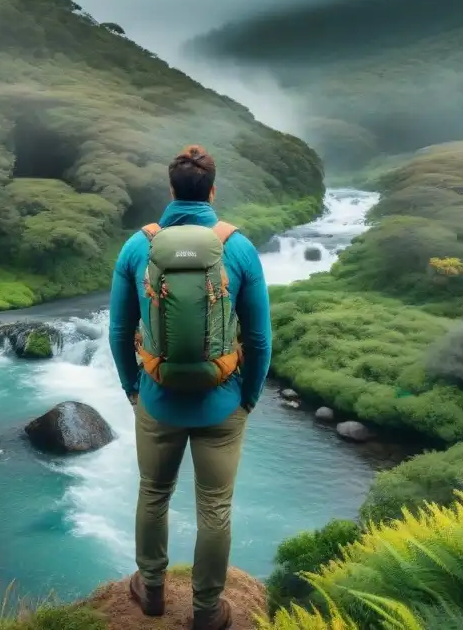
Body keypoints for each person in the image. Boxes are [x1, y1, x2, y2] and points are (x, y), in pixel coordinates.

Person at [108, 144, 271, 630]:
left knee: (153, 493)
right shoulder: (238, 248)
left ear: (171, 188)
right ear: (212, 191)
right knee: (215, 508)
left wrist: (133, 388)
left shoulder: (139, 246)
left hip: (157, 399)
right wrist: (248, 396)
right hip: (222, 403)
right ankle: (207, 611)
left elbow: (118, 330)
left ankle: (151, 590)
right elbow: (259, 338)